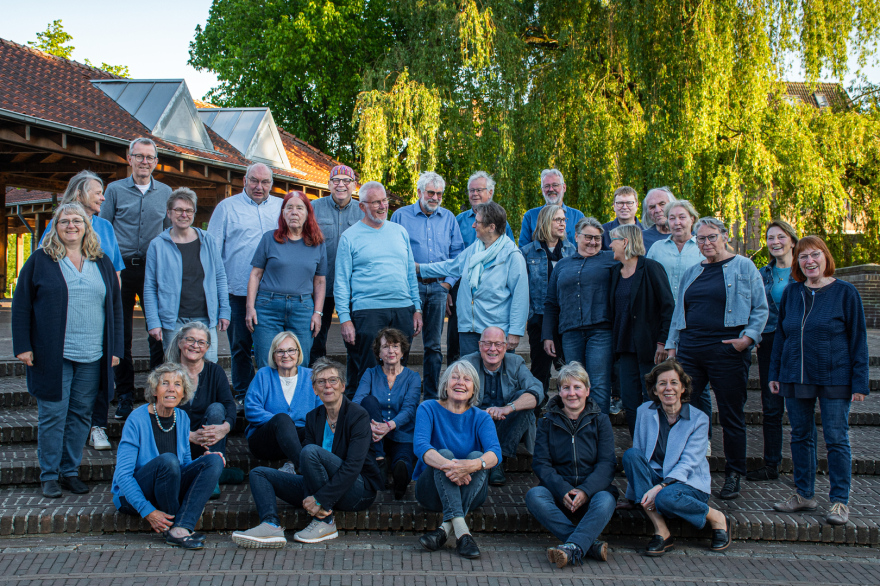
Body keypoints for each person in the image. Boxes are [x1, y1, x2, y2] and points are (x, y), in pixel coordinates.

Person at [13, 203, 123, 498]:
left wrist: (115, 348)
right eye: (65, 221)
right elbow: (21, 304)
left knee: (81, 415)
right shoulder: (40, 260)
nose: (71, 225)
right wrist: (23, 346)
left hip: (93, 354)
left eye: (77, 221)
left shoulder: (102, 262)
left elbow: (114, 308)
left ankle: (70, 471)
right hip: (52, 354)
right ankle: (49, 475)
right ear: (55, 226)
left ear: (87, 227)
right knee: (53, 415)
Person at [666, 218, 768, 500]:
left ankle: (734, 474)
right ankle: (686, 470)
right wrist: (673, 347)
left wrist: (747, 339)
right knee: (685, 411)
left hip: (727, 351)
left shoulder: (743, 266)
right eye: (700, 239)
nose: (706, 243)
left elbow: (760, 308)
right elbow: (679, 312)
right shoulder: (692, 271)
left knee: (731, 414)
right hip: (690, 350)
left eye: (712, 237)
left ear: (725, 236)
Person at [232, 358, 383, 548]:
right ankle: (271, 525)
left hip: (357, 491)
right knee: (259, 473)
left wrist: (319, 499)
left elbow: (353, 467)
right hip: (323, 487)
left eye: (333, 380)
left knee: (310, 451)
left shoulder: (358, 415)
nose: (327, 386)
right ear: (314, 389)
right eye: (321, 382)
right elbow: (308, 466)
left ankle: (325, 522)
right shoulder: (313, 417)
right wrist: (311, 494)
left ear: (343, 386)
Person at [769, 236, 868, 526]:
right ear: (797, 262)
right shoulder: (792, 292)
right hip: (795, 374)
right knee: (800, 435)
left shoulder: (846, 292)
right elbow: (782, 336)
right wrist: (775, 373)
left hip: (834, 376)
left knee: (836, 438)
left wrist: (860, 382)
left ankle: (839, 501)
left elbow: (858, 339)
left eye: (815, 255)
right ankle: (804, 495)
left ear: (826, 257)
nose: (809, 261)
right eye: (803, 257)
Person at [37, 170, 124, 452]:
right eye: (97, 192)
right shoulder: (58, 224)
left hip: (99, 315)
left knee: (97, 376)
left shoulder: (105, 227)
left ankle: (97, 426)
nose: (103, 197)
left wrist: (113, 310)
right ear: (79, 193)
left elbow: (116, 271)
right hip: (66, 322)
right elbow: (42, 272)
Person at [622, 360, 731, 556]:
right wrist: (634, 496)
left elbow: (689, 463)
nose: (668, 388)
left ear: (683, 388)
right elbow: (639, 455)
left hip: (688, 483)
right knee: (631, 454)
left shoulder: (699, 419)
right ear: (654, 390)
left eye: (674, 382)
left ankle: (717, 517)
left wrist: (661, 487)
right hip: (656, 480)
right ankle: (662, 531)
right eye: (662, 383)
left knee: (665, 496)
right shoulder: (644, 412)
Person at [112, 363, 225, 550]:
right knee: (168, 460)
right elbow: (123, 475)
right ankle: (175, 528)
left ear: (183, 393)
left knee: (214, 460)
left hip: (166, 490)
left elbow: (184, 465)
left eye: (177, 384)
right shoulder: (136, 419)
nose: (171, 388)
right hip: (134, 496)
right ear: (154, 390)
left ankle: (182, 526)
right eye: (165, 383)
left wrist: (201, 462)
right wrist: (148, 511)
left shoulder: (182, 417)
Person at [99, 137, 169, 420]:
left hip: (153, 270)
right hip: (121, 269)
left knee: (157, 333)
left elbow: (169, 234)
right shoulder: (114, 190)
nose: (144, 161)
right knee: (122, 333)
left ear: (156, 162)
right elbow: (103, 229)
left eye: (149, 157)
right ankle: (125, 394)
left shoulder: (166, 192)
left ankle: (156, 392)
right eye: (139, 156)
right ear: (129, 159)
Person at [334, 181, 422, 396]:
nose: (383, 206)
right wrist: (345, 319)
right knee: (369, 371)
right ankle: (367, 414)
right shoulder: (349, 237)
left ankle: (397, 411)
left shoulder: (400, 232)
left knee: (399, 368)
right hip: (367, 312)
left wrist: (417, 308)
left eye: (384, 201)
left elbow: (410, 273)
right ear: (362, 206)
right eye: (376, 203)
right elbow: (341, 281)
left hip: (403, 309)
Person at [526, 362, 617, 567]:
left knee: (606, 499)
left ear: (587, 390)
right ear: (559, 392)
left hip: (592, 495)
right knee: (534, 496)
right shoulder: (547, 421)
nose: (572, 393)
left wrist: (585, 490)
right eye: (566, 388)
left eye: (577, 387)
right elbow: (541, 463)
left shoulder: (601, 421)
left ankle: (571, 547)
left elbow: (607, 464)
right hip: (559, 497)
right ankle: (586, 544)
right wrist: (562, 490)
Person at [208, 163, 283, 409]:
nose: (259, 186)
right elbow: (212, 251)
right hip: (238, 290)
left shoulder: (282, 207)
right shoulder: (226, 208)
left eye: (265, 182)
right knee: (240, 345)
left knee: (272, 345)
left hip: (273, 291)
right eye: (254, 181)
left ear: (271, 184)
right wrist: (216, 292)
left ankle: (271, 394)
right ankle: (243, 393)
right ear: (244, 180)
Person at [414, 360, 502, 559]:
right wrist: (452, 467)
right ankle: (463, 534)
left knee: (478, 457)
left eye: (466, 379)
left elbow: (495, 453)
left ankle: (444, 530)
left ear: (474, 389)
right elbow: (420, 446)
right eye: (455, 377)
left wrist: (471, 465)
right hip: (431, 492)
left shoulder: (481, 417)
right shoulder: (427, 408)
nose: (460, 382)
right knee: (443, 454)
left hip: (471, 491)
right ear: (445, 384)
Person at [418, 201, 528, 357]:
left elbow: (520, 296)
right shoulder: (475, 249)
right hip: (469, 330)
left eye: (478, 222)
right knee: (470, 372)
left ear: (491, 227)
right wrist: (419, 268)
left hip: (496, 333)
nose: (473, 225)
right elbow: (451, 266)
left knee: (495, 372)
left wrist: (515, 331)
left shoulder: (512, 256)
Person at [391, 172, 464, 400]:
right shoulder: (400, 216)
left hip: (438, 289)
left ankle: (431, 398)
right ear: (419, 192)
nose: (435, 197)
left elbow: (457, 255)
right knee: (402, 343)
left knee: (433, 347)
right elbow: (393, 253)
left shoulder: (449, 218)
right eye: (431, 192)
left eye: (439, 194)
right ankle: (399, 395)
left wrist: (448, 284)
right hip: (409, 289)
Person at [144, 187, 230, 363]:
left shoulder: (207, 241)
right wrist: (153, 321)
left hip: (205, 318)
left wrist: (225, 311)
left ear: (194, 213)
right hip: (173, 320)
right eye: (179, 210)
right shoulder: (157, 245)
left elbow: (220, 277)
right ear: (169, 213)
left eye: (189, 210)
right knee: (176, 369)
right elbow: (150, 286)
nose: (184, 214)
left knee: (208, 368)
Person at [543, 217, 617, 413]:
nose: (593, 242)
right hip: (570, 332)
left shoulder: (612, 260)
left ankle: (598, 427)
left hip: (601, 331)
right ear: (576, 237)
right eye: (588, 237)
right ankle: (576, 425)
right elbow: (551, 303)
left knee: (598, 383)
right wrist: (548, 335)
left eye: (597, 238)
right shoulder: (562, 265)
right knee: (574, 383)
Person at [246, 191, 327, 368]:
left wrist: (318, 313)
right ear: (283, 213)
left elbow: (320, 282)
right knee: (267, 362)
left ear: (308, 213)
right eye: (289, 207)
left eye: (299, 208)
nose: (294, 212)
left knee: (300, 362)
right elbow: (255, 274)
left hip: (302, 309)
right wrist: (250, 308)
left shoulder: (317, 243)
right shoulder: (269, 239)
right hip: (267, 308)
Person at [608, 224, 674, 435]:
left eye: (613, 240)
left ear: (625, 242)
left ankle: (658, 444)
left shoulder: (651, 268)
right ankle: (639, 444)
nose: (609, 245)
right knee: (630, 401)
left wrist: (662, 342)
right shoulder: (614, 273)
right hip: (624, 347)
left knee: (652, 398)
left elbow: (668, 306)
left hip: (649, 348)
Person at [460, 326, 543, 486]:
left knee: (524, 398)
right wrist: (482, 414)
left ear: (505, 347)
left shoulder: (516, 362)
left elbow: (537, 391)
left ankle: (497, 459)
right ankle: (493, 460)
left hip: (507, 423)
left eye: (498, 344)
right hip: (477, 423)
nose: (493, 349)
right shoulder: (467, 363)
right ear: (479, 345)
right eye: (487, 343)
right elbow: (451, 396)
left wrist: (507, 408)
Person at [747, 220, 798, 482]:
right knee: (771, 405)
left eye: (780, 237)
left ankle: (803, 466)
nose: (775, 242)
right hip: (769, 342)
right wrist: (754, 333)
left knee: (800, 405)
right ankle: (771, 464)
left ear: (792, 240)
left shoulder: (805, 270)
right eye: (770, 238)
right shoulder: (762, 273)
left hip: (798, 342)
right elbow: (753, 305)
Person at [449, 171, 515, 365]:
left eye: (479, 190)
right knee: (457, 343)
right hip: (461, 287)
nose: (475, 194)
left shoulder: (501, 222)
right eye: (471, 190)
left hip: (491, 290)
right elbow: (453, 260)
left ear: (490, 192)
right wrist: (447, 287)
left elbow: (508, 255)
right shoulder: (459, 220)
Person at [165, 322, 237, 499]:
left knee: (217, 409)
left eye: (201, 342)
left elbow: (229, 404)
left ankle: (212, 476)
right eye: (190, 340)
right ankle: (214, 472)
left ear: (207, 347)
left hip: (209, 442)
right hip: (176, 444)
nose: (195, 346)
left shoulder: (215, 371)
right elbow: (156, 413)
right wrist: (188, 435)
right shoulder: (167, 373)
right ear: (180, 342)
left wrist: (225, 427)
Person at [352, 328, 421, 499]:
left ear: (402, 352)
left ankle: (401, 479)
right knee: (369, 401)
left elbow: (409, 409)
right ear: (379, 353)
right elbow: (356, 402)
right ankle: (379, 460)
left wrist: (389, 426)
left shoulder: (413, 377)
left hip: (402, 433)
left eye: (395, 346)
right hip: (374, 435)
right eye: (385, 347)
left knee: (403, 458)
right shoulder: (370, 373)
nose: (391, 351)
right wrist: (369, 426)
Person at [310, 165, 364, 365]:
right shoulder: (313, 208)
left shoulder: (363, 210)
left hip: (352, 287)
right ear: (329, 184)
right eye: (336, 180)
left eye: (346, 181)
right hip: (320, 284)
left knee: (355, 339)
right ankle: (316, 378)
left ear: (354, 185)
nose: (341, 184)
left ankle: (355, 381)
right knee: (316, 338)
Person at [245, 332, 320, 474]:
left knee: (319, 429)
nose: (286, 355)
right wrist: (284, 423)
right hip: (267, 442)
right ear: (273, 355)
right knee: (282, 419)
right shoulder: (263, 374)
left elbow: (321, 411)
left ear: (298, 352)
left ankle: (292, 464)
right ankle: (306, 470)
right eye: (280, 351)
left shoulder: (311, 376)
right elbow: (251, 409)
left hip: (300, 439)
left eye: (291, 350)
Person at [521, 204, 576, 396]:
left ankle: (567, 405)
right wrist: (530, 316)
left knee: (568, 368)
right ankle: (537, 406)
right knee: (540, 370)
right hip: (539, 318)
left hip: (566, 320)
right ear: (545, 222)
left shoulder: (571, 251)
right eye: (557, 220)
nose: (563, 224)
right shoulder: (527, 252)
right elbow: (523, 288)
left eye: (564, 220)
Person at [646, 199, 703, 303]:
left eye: (682, 217)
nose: (677, 222)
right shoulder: (657, 248)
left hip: (693, 308)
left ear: (692, 219)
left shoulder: (702, 248)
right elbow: (646, 282)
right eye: (672, 218)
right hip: (661, 310)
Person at [519, 168, 585, 247]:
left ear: (564, 187)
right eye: (547, 186)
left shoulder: (578, 217)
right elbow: (523, 249)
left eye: (555, 185)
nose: (551, 189)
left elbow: (584, 247)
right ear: (542, 190)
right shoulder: (530, 216)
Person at [640, 187, 676, 252]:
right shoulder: (641, 239)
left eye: (662, 204)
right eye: (652, 207)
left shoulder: (690, 235)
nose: (657, 210)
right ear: (647, 212)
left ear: (673, 205)